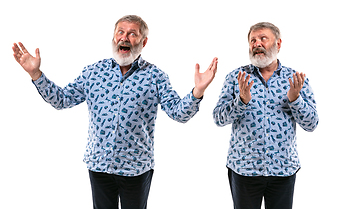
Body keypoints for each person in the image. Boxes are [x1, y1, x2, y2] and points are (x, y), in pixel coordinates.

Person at [12, 15, 218, 209]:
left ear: (143, 42)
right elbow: (62, 100)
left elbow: (178, 113)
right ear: (113, 37)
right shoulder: (93, 72)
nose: (124, 38)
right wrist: (36, 74)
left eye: (132, 33)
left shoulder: (156, 76)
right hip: (99, 166)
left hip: (136, 169)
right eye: (120, 32)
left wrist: (197, 91)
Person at [213, 22, 318, 209]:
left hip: (283, 170)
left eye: (263, 38)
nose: (257, 44)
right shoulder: (236, 77)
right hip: (243, 169)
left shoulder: (295, 79)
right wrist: (241, 101)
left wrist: (295, 100)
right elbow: (218, 119)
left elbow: (312, 124)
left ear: (278, 44)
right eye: (252, 40)